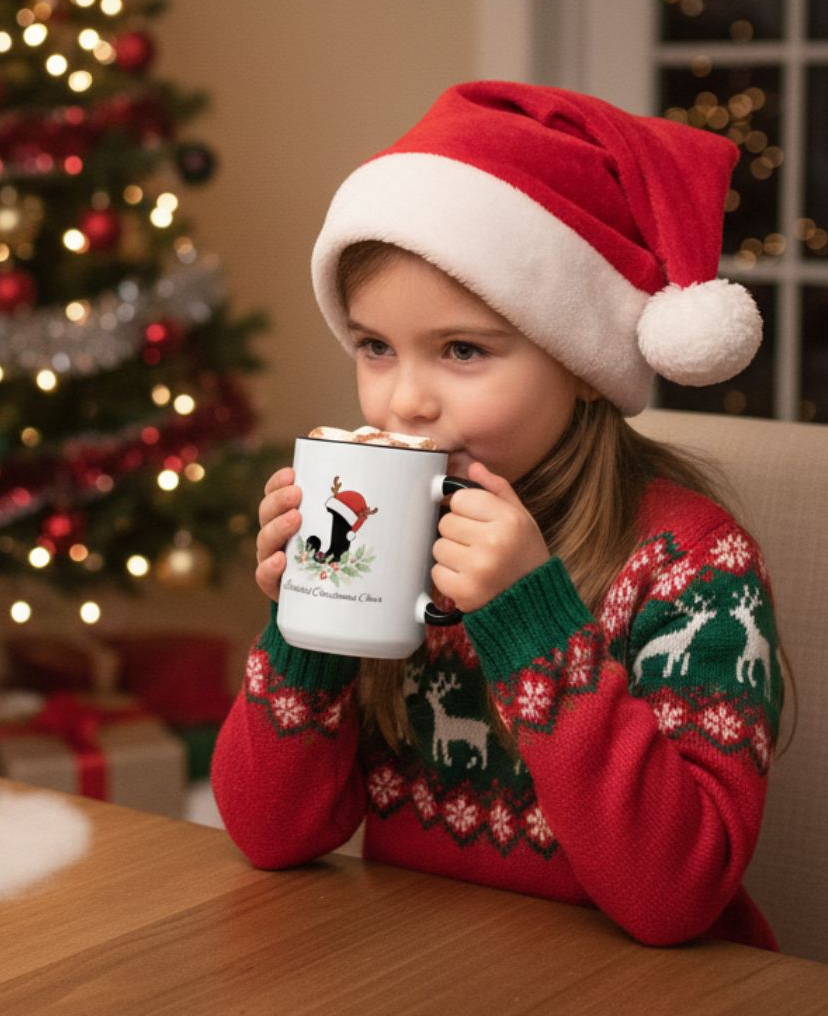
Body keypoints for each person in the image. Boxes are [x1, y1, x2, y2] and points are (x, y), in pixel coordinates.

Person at [211, 82, 785, 951]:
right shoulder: (394, 530)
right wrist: (310, 620)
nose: (405, 401)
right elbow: (271, 833)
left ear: (583, 362)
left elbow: (676, 897)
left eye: (463, 350)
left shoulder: (693, 566)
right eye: (374, 346)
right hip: (417, 967)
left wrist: (529, 618)